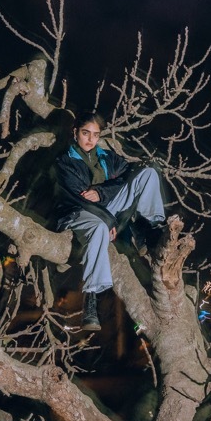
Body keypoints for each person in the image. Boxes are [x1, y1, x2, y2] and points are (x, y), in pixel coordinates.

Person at [55, 111, 167, 330]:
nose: (90, 139)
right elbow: (79, 197)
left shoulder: (106, 156)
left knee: (148, 173)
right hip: (79, 212)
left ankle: (150, 230)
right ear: (75, 132)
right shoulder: (65, 160)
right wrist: (108, 221)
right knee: (98, 228)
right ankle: (91, 299)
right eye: (85, 133)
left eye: (95, 135)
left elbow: (127, 175)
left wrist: (102, 193)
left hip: (106, 208)